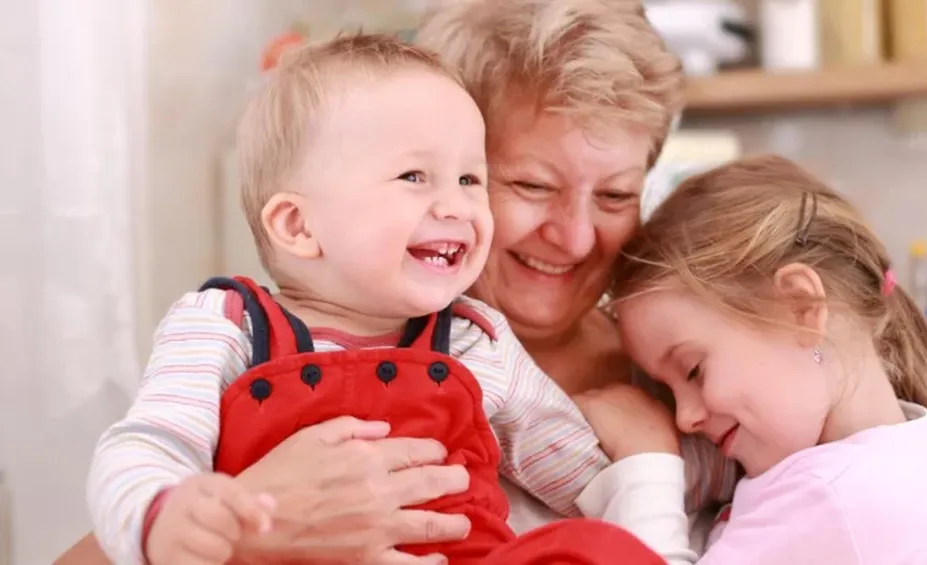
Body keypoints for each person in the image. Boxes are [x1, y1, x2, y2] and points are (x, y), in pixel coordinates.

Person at [53, 2, 927, 564]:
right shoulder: (265, 338)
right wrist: (256, 519)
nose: (573, 235)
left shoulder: (695, 396)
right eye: (528, 185)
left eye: (614, 194)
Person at [85, 31, 698, 565]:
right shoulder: (224, 325)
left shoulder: (472, 338)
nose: (456, 205)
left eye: (468, 179)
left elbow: (582, 476)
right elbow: (149, 446)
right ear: (298, 226)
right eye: (414, 177)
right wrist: (167, 517)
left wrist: (696, 462)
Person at [580, 155, 927, 563]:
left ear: (800, 306)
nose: (684, 419)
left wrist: (645, 458)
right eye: (669, 391)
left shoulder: (833, 495)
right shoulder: (877, 467)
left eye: (694, 371)